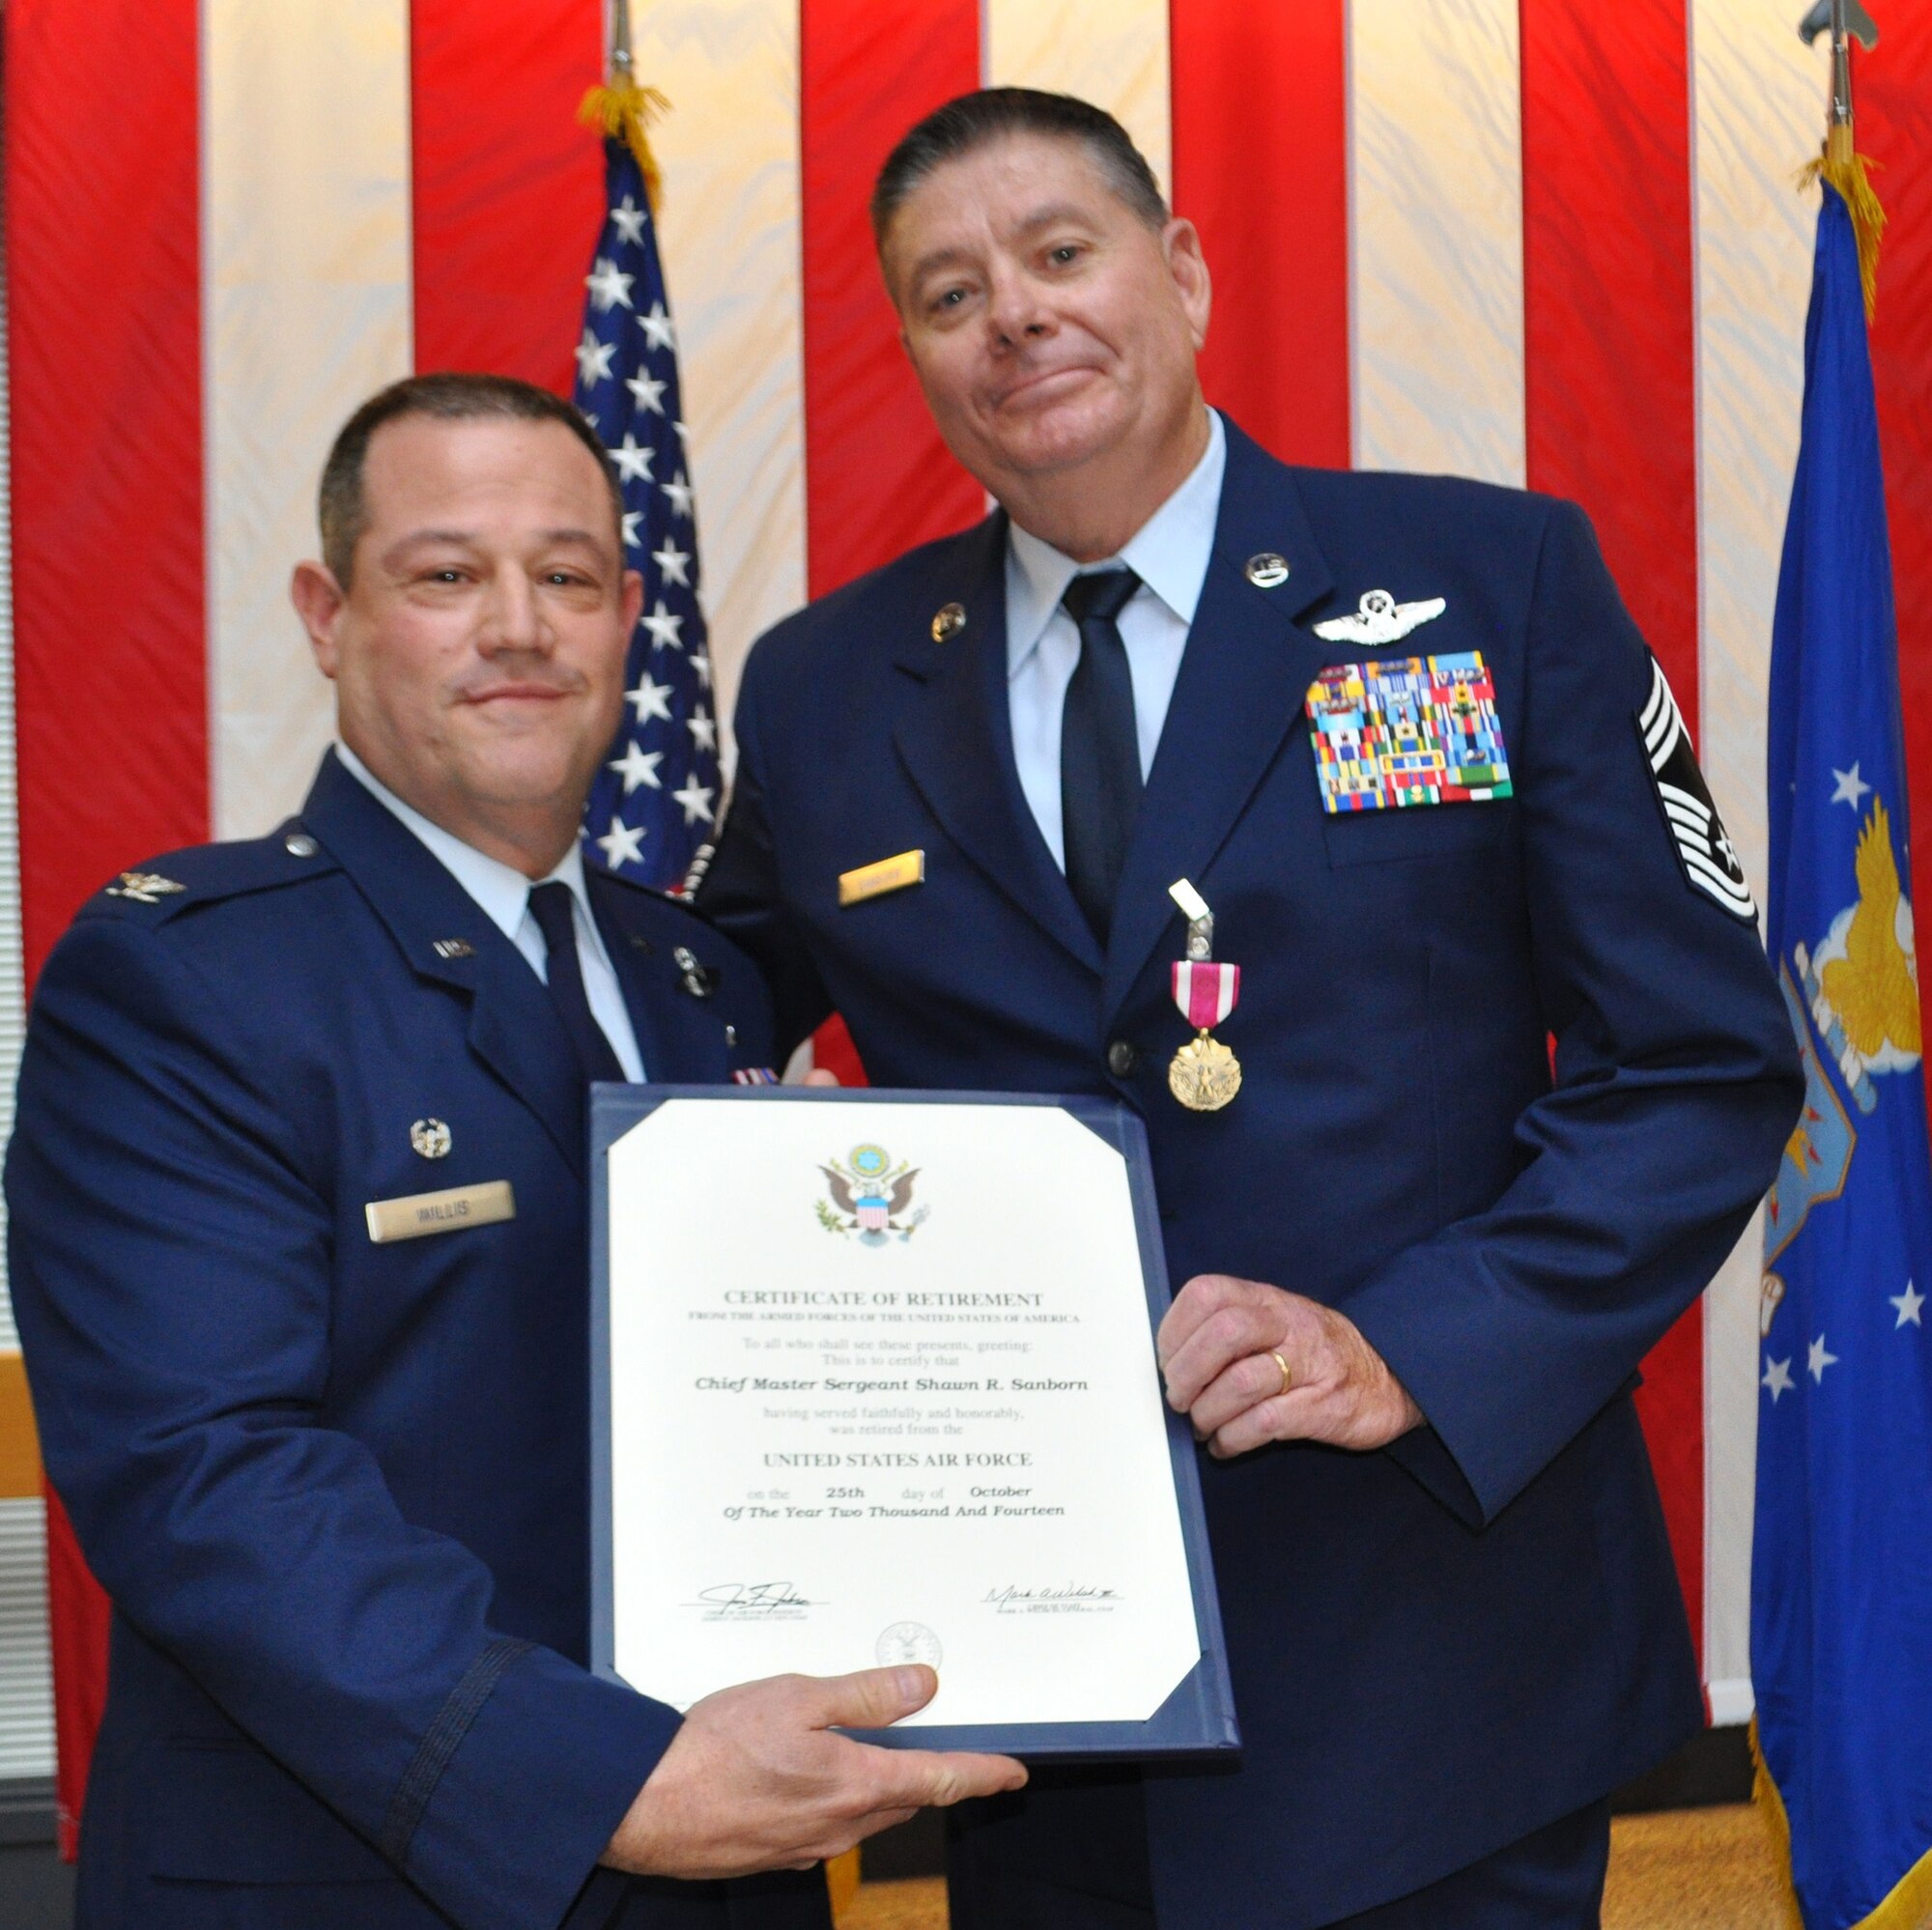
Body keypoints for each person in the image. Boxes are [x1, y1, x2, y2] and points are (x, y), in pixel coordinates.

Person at [696, 91, 1804, 1930]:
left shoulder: (1485, 584)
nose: (1017, 317)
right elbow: (698, 1030)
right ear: (913, 351)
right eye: (950, 291)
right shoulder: (826, 692)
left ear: (1182, 271)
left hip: (1438, 1651)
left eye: (1061, 253)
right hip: (1038, 1692)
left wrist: (1410, 1344)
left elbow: (1698, 1064)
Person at [5, 374, 1023, 1930]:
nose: (517, 625)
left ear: (627, 617)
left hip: (735, 1866)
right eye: (444, 574)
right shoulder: (186, 977)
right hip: (347, 1873)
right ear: (327, 613)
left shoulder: (704, 979)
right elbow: (207, 1476)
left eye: (562, 576)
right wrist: (602, 1776)